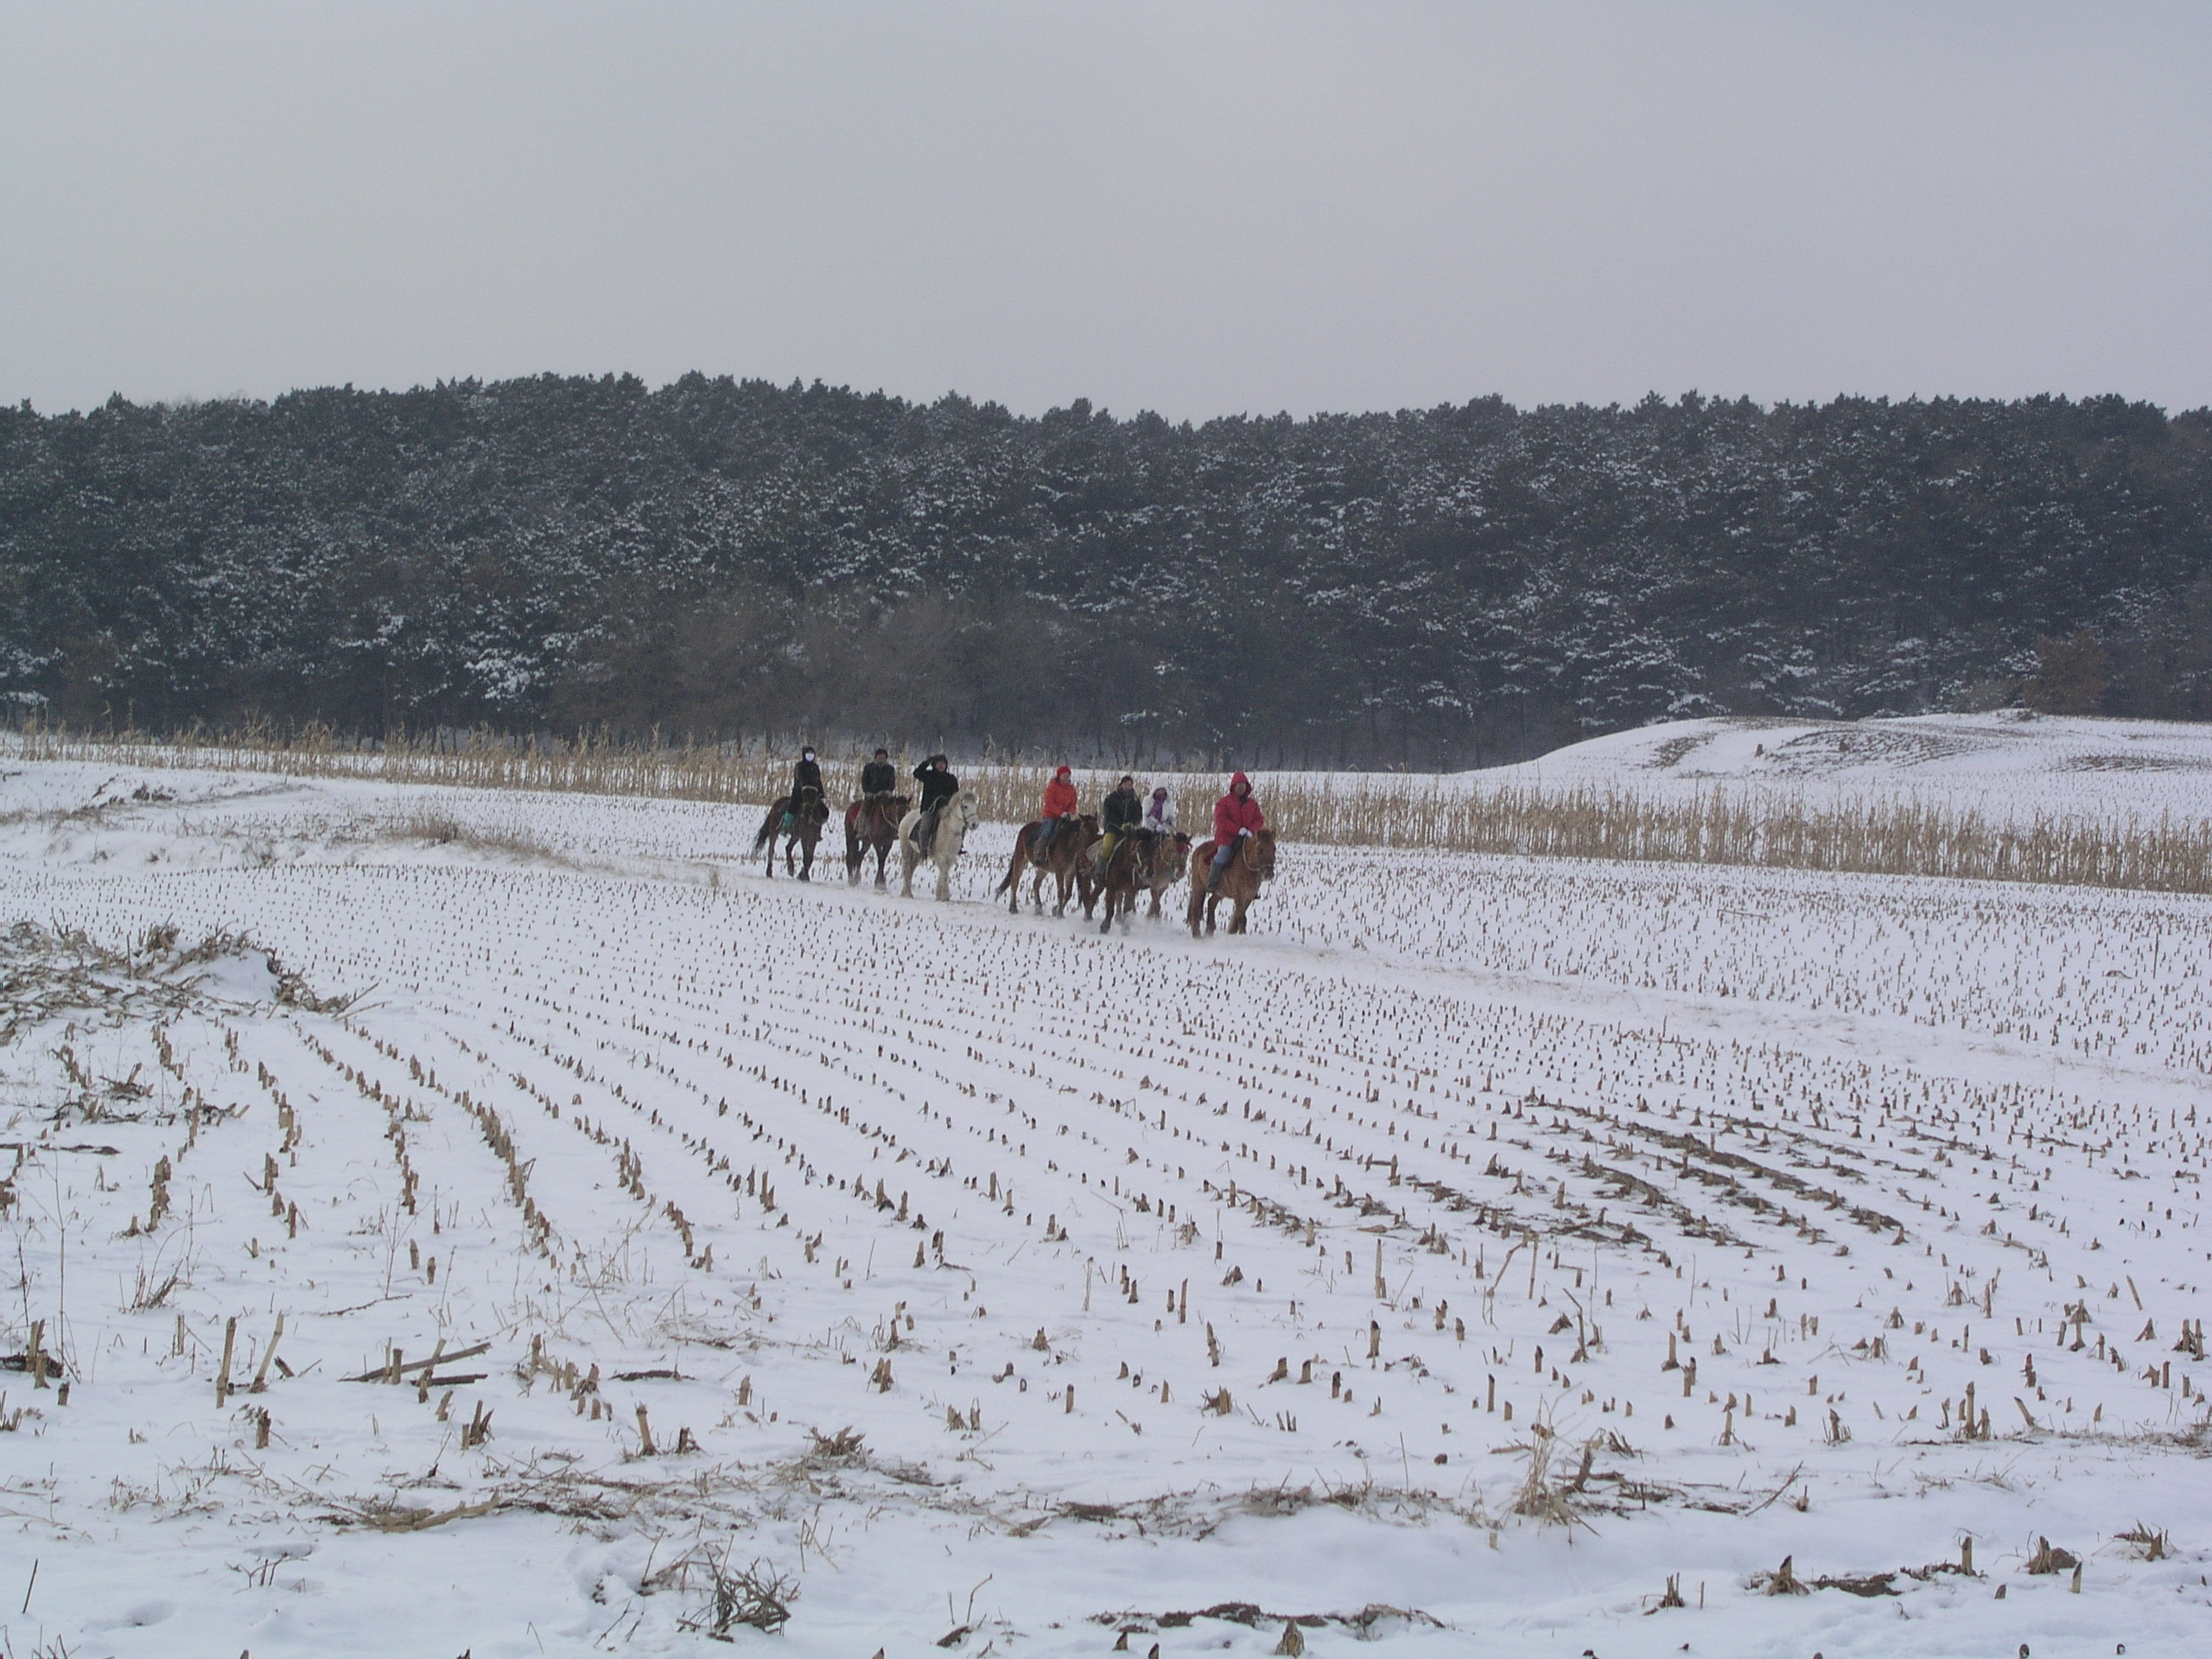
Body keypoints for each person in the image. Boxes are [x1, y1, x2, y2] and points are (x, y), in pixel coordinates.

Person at [1205, 771, 1264, 893]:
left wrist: (1251, 831)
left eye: (1243, 785)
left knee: (1257, 858)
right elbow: (1221, 821)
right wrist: (1237, 830)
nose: (1241, 788)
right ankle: (1212, 882)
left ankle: (1254, 888)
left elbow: (1259, 819)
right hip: (1227, 838)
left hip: (1247, 838)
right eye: (1238, 785)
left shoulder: (1252, 803)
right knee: (1222, 855)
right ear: (1233, 786)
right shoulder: (1224, 802)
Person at [1032, 765, 1080, 864]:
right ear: (1059, 776)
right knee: (1048, 830)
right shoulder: (1052, 787)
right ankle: (1039, 853)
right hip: (1051, 815)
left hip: (1066, 816)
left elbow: (1073, 804)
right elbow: (1049, 803)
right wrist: (1060, 813)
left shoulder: (1071, 789)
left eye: (1068, 776)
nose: (1066, 778)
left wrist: (1070, 813)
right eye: (1064, 776)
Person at [912, 753, 959, 853]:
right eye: (939, 763)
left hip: (946, 808)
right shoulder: (928, 775)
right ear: (934, 765)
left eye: (943, 763)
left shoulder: (951, 778)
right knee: (925, 826)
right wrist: (926, 762)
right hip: (930, 808)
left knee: (959, 824)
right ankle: (923, 848)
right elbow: (916, 773)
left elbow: (956, 795)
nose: (941, 765)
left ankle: (958, 845)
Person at [1094, 773, 1141, 869]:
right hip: (1113, 829)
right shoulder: (1111, 798)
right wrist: (1120, 825)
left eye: (1130, 784)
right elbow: (1109, 815)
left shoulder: (1135, 799)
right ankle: (1099, 870)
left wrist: (1131, 824)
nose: (1128, 786)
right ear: (1121, 785)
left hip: (1130, 831)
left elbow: (1138, 815)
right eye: (1126, 784)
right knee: (1107, 847)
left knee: (1139, 847)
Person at [781, 746, 824, 829]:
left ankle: (817, 830)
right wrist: (802, 786)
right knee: (793, 805)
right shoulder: (799, 766)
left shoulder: (816, 767)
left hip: (813, 792)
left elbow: (819, 781)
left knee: (822, 809)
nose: (810, 756)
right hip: (800, 790)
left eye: (812, 754)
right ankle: (786, 825)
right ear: (804, 755)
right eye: (808, 754)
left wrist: (822, 794)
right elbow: (798, 778)